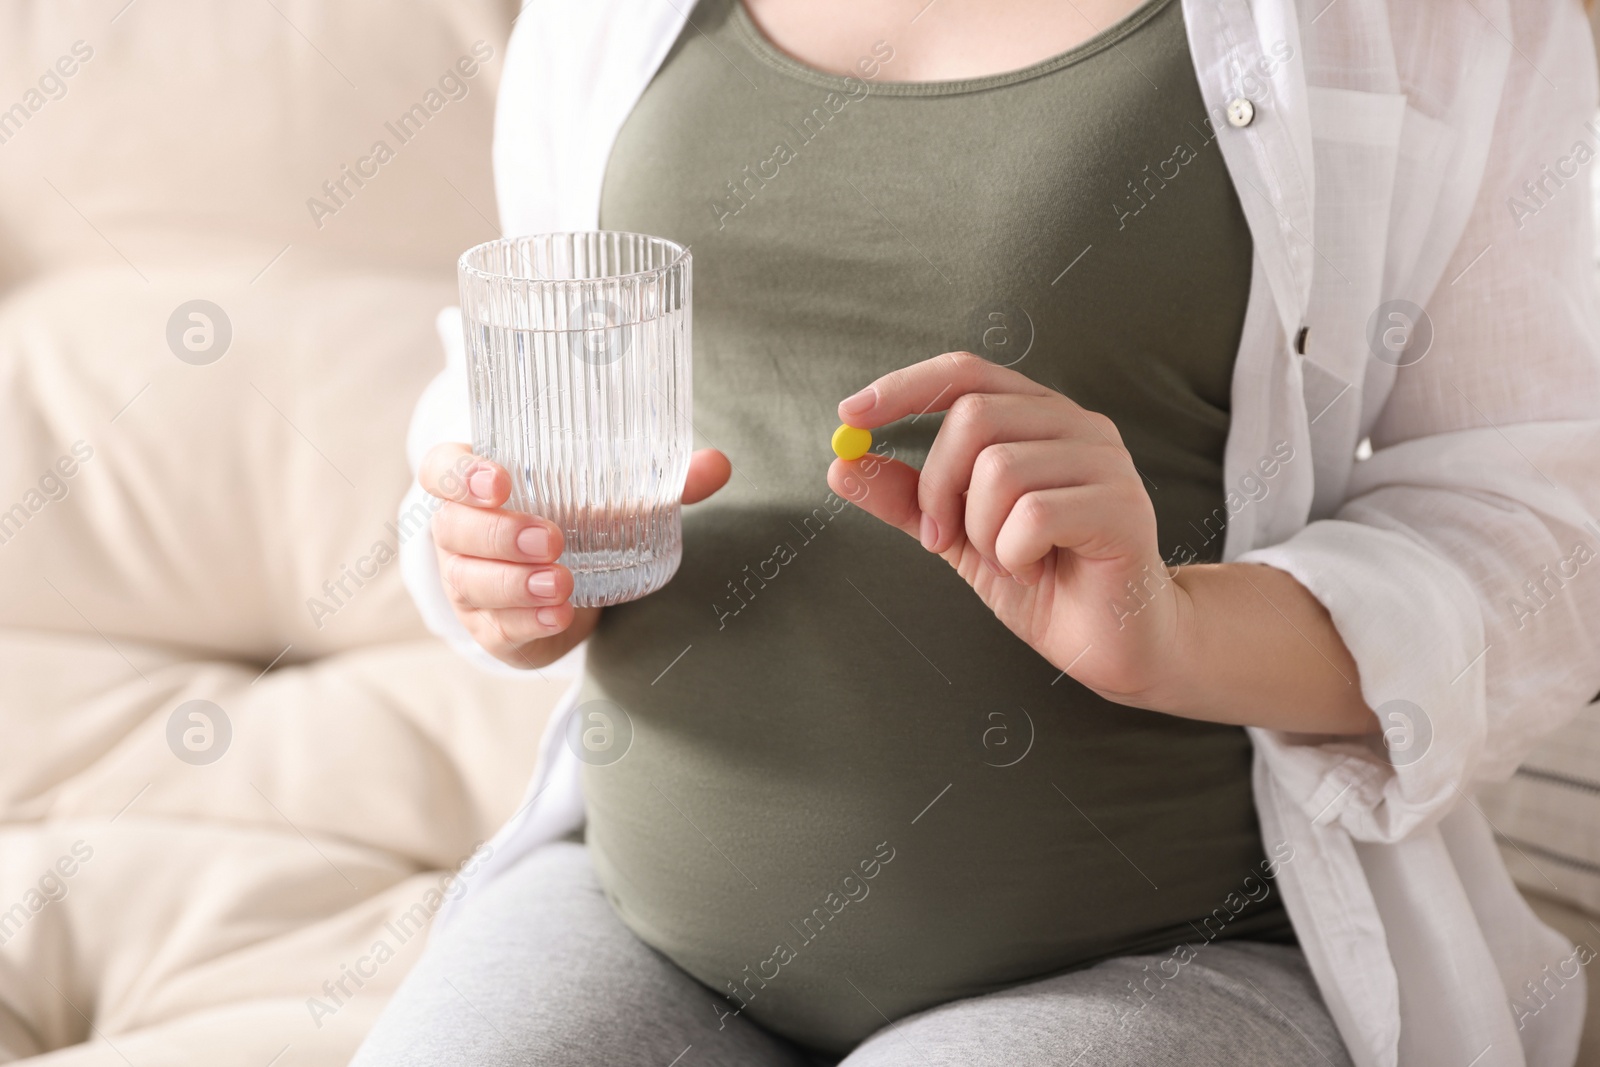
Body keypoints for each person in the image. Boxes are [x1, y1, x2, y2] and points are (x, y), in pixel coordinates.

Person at [353, 0, 1600, 1064]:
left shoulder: (1425, 24)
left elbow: (1548, 530)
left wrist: (1170, 625)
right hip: (635, 914)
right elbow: (498, 387)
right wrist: (498, 566)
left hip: (1162, 963)